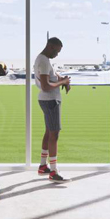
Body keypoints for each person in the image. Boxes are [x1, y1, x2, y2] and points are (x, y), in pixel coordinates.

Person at [35, 37, 70, 182]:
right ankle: (53, 172)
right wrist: (62, 82)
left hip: (46, 100)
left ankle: (43, 166)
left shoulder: (44, 60)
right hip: (50, 101)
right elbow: (45, 86)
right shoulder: (43, 61)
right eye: (56, 51)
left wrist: (62, 79)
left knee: (49, 132)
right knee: (54, 135)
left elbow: (51, 77)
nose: (57, 54)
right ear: (50, 47)